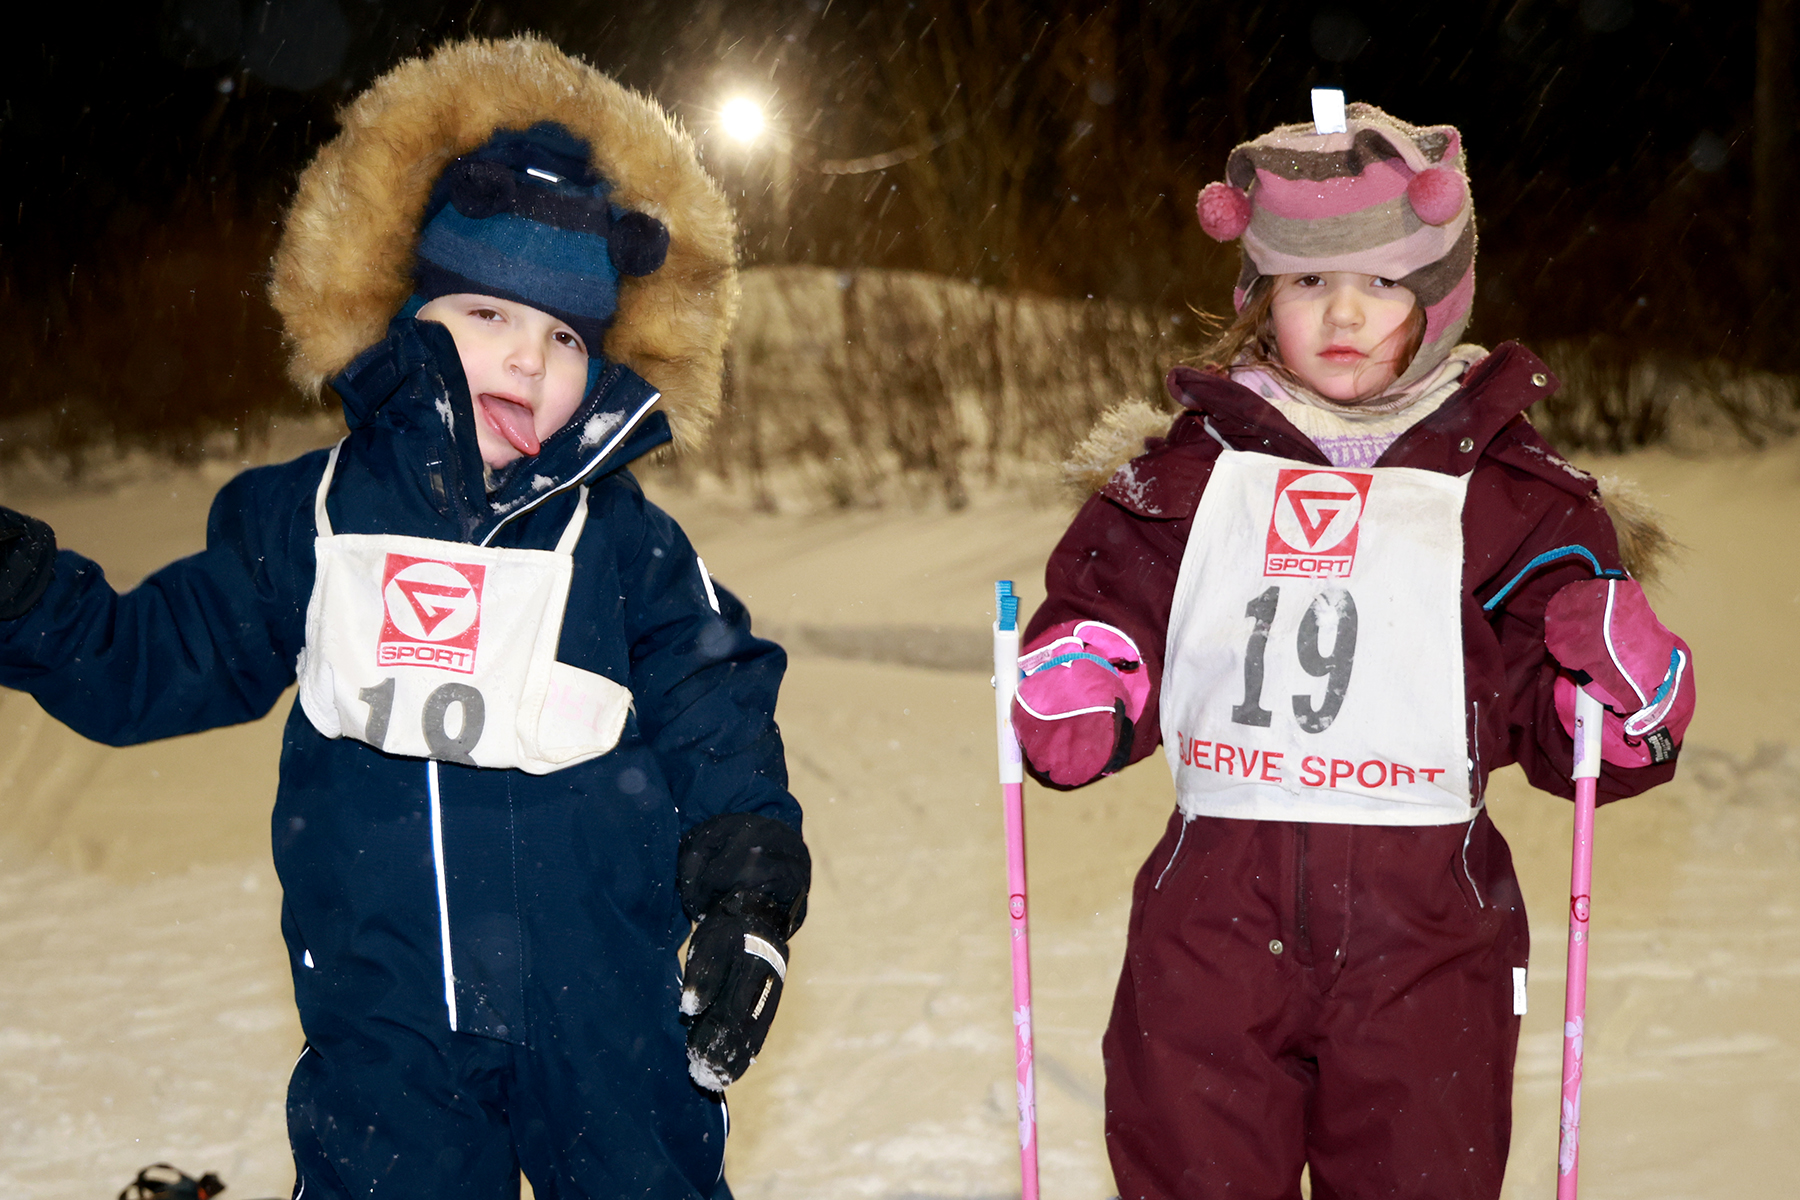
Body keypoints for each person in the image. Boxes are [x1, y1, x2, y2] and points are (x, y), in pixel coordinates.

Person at [0, 37, 808, 1200]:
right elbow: (147, 661)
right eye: (488, 313)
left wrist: (748, 895)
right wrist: (28, 597)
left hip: (606, 1018)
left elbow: (718, 706)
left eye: (567, 337)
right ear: (407, 313)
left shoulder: (621, 545)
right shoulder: (314, 521)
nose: (528, 359)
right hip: (386, 1030)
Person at [1009, 103, 1694, 1200]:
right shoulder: (1188, 478)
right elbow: (1108, 607)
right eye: (1304, 283)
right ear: (1258, 300)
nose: (1341, 313)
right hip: (1212, 930)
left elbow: (1572, 721)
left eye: (1382, 284)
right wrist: (1083, 675)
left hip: (1427, 939)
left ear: (1439, 297)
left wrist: (1610, 690)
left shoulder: (1507, 496)